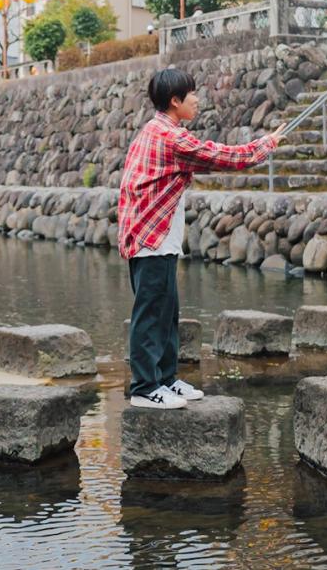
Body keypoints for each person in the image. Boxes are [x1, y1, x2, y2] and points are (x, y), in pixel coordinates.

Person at [120, 68, 284, 409]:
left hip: (155, 237)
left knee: (167, 312)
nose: (197, 100)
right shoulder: (170, 137)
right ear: (175, 101)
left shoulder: (160, 131)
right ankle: (144, 388)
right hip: (151, 239)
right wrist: (265, 145)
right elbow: (220, 156)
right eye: (191, 94)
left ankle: (164, 379)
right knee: (150, 314)